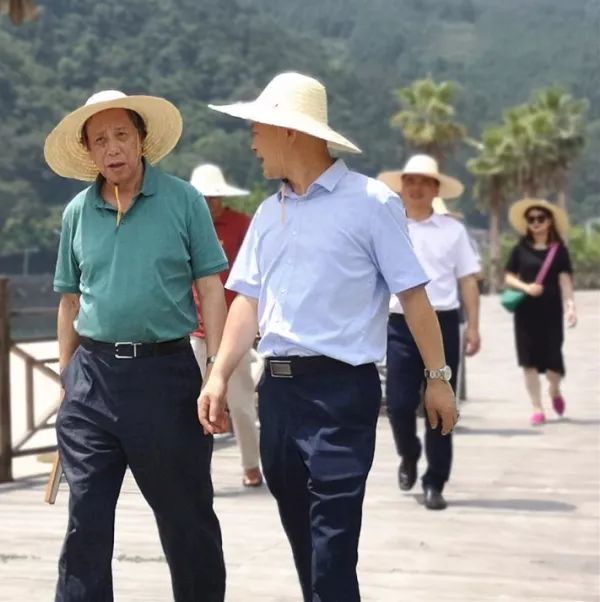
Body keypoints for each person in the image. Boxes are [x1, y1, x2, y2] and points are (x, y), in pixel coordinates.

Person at [196, 72, 458, 602]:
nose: (250, 140)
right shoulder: (270, 214)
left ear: (290, 131)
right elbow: (246, 301)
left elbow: (413, 297)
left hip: (343, 394)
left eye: (257, 128)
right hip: (280, 395)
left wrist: (438, 377)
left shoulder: (371, 202)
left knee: (333, 548)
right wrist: (219, 373)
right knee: (306, 547)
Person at [45, 90, 229, 602]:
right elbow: (68, 301)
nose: (112, 148)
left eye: (121, 135)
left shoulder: (183, 200)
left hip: (166, 377)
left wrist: (215, 369)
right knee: (86, 521)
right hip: (92, 381)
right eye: (99, 140)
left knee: (186, 519)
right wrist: (67, 378)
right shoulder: (77, 213)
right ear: (89, 152)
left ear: (142, 140)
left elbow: (211, 286)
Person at [378, 154, 481, 511]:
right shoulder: (388, 226)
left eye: (424, 181)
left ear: (436, 189)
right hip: (398, 324)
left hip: (443, 323)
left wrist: (474, 327)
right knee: (399, 403)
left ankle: (436, 480)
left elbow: (467, 279)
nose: (416, 187)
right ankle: (409, 453)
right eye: (410, 180)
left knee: (440, 404)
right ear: (401, 186)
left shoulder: (453, 230)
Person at [188, 163, 263, 487]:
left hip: (234, 330)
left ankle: (251, 465)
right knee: (193, 405)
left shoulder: (241, 224)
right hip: (194, 329)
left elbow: (257, 274)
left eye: (215, 196)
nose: (211, 203)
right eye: (205, 197)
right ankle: (197, 471)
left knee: (242, 403)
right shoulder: (184, 226)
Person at [503, 198, 577, 425]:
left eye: (540, 218)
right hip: (525, 313)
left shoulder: (559, 251)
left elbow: (565, 281)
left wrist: (571, 306)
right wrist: (527, 287)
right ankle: (537, 407)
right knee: (529, 361)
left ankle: (554, 390)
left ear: (549, 222)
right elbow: (508, 277)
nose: (535, 222)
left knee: (554, 361)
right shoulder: (520, 249)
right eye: (531, 219)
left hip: (552, 312)